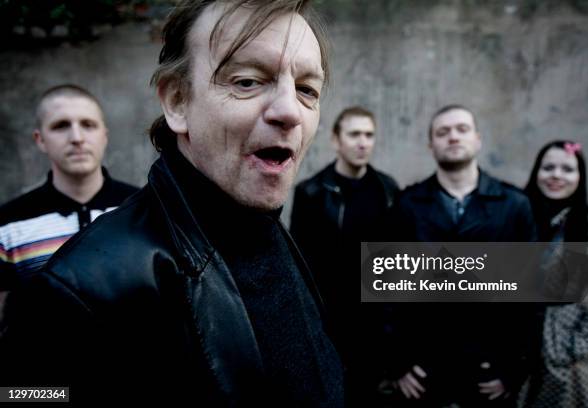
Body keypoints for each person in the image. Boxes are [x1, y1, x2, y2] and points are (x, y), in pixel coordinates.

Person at [1, 1, 343, 406]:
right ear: (178, 102)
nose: (290, 111)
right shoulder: (78, 291)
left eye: (307, 90)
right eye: (248, 81)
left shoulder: (270, 234)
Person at [387, 104, 537, 407]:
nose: (453, 137)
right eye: (443, 132)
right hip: (423, 369)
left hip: (488, 370)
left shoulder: (515, 205)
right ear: (431, 146)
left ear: (478, 139)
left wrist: (514, 368)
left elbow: (531, 293)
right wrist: (397, 363)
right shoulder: (406, 206)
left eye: (462, 129)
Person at [0, 84, 137, 332]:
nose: (76, 137)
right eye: (61, 126)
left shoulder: (143, 209)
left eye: (88, 124)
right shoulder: (8, 225)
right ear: (40, 139)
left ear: (104, 135)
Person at [290, 106, 398, 404]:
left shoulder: (388, 190)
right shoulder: (310, 193)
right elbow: (301, 269)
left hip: (375, 325)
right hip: (330, 322)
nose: (363, 142)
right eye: (354, 134)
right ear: (336, 140)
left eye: (369, 135)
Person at [521, 140, 588, 408]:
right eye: (548, 167)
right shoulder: (521, 219)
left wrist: (573, 348)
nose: (556, 176)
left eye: (567, 169)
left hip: (572, 360)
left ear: (580, 177)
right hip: (523, 353)